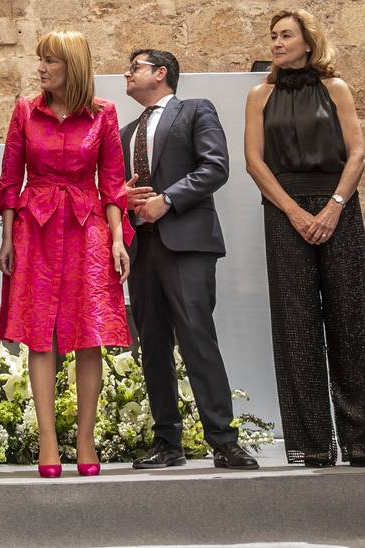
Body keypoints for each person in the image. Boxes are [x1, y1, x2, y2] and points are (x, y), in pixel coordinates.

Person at [244, 10, 365, 467]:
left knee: (352, 319)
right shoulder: (259, 95)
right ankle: (312, 442)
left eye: (285, 35)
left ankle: (363, 440)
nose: (276, 42)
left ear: (309, 41)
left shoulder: (337, 89)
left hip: (337, 211)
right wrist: (293, 211)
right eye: (272, 36)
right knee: (296, 326)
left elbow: (358, 152)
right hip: (283, 214)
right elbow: (254, 162)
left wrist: (332, 208)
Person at [0, 30, 129, 478]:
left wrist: (116, 240)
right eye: (40, 60)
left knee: (89, 334)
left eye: (50, 60)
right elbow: (10, 182)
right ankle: (48, 439)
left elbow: (112, 184)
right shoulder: (23, 110)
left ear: (73, 65)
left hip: (88, 226)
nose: (42, 67)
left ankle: (85, 439)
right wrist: (8, 239)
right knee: (39, 332)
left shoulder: (103, 114)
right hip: (35, 227)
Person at [122, 48, 259, 472]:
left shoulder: (196, 110)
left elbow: (215, 167)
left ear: (161, 73)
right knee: (153, 347)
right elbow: (115, 188)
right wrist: (124, 199)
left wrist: (168, 200)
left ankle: (224, 442)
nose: (127, 74)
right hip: (140, 248)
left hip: (186, 244)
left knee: (197, 340)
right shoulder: (126, 130)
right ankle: (167, 443)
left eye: (135, 68)